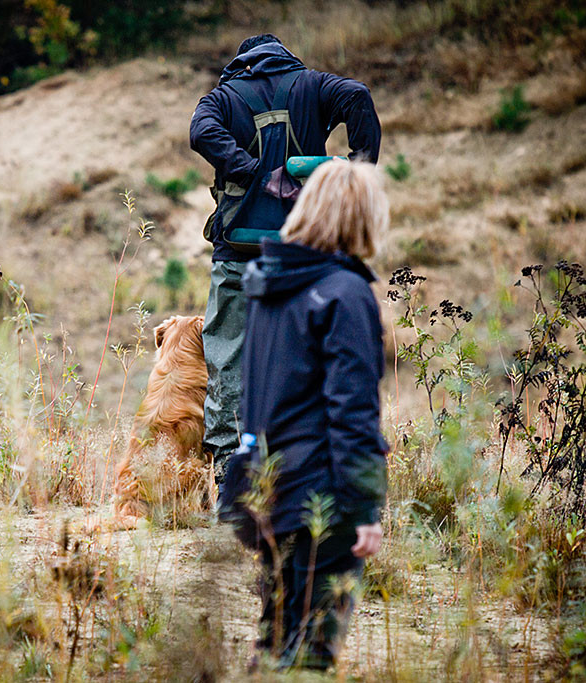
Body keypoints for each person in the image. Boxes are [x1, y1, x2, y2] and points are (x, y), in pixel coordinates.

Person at [221, 160, 389, 670]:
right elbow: (353, 410)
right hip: (322, 500)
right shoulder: (346, 294)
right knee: (312, 650)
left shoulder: (268, 285)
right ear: (363, 219)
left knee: (273, 642)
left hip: (265, 490)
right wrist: (363, 509)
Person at [189, 34, 381, 478]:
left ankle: (228, 475)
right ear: (285, 58)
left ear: (242, 63)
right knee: (304, 360)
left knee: (227, 360)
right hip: (304, 253)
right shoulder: (312, 85)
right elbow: (358, 95)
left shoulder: (224, 96)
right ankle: (297, 470)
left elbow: (201, 132)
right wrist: (359, 170)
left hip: (237, 252)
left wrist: (249, 170)